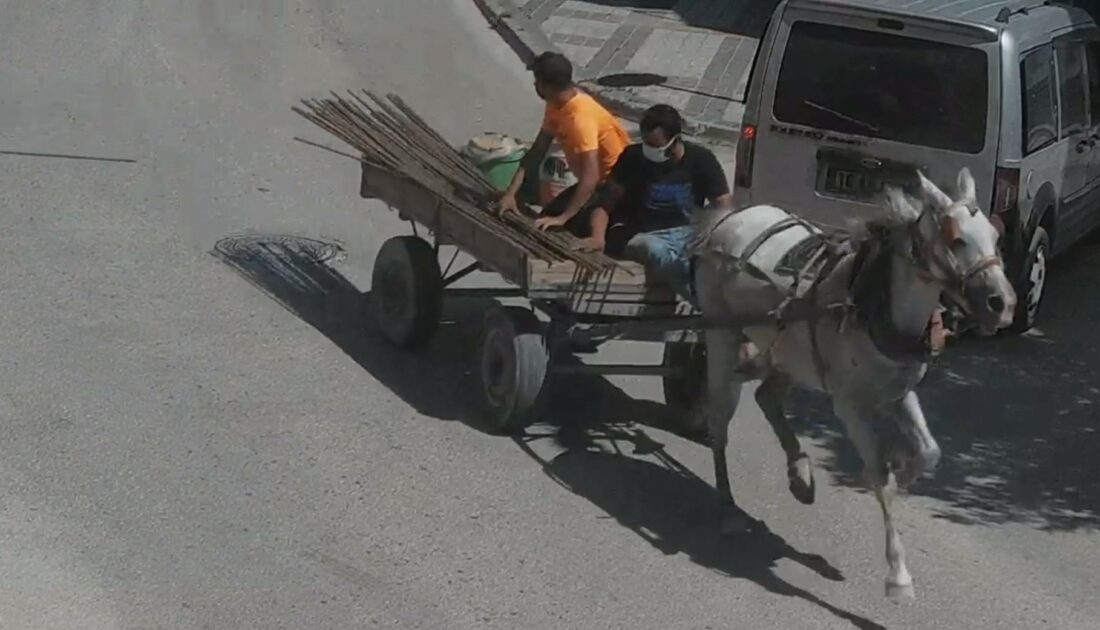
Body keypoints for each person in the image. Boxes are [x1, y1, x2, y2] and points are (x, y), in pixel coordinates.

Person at [581, 104, 733, 302]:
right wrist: (597, 237)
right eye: (646, 145)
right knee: (656, 250)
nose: (650, 152)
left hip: (686, 235)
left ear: (675, 140)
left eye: (656, 147)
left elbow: (724, 206)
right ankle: (701, 300)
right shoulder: (633, 158)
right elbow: (604, 204)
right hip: (641, 234)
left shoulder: (701, 160)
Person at [497, 52, 630, 238]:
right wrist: (511, 193)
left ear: (545, 85)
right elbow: (537, 151)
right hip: (595, 184)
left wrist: (563, 218)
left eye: (537, 81)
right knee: (545, 218)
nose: (535, 86)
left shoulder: (579, 118)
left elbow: (591, 177)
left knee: (555, 232)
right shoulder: (555, 105)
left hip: (613, 187)